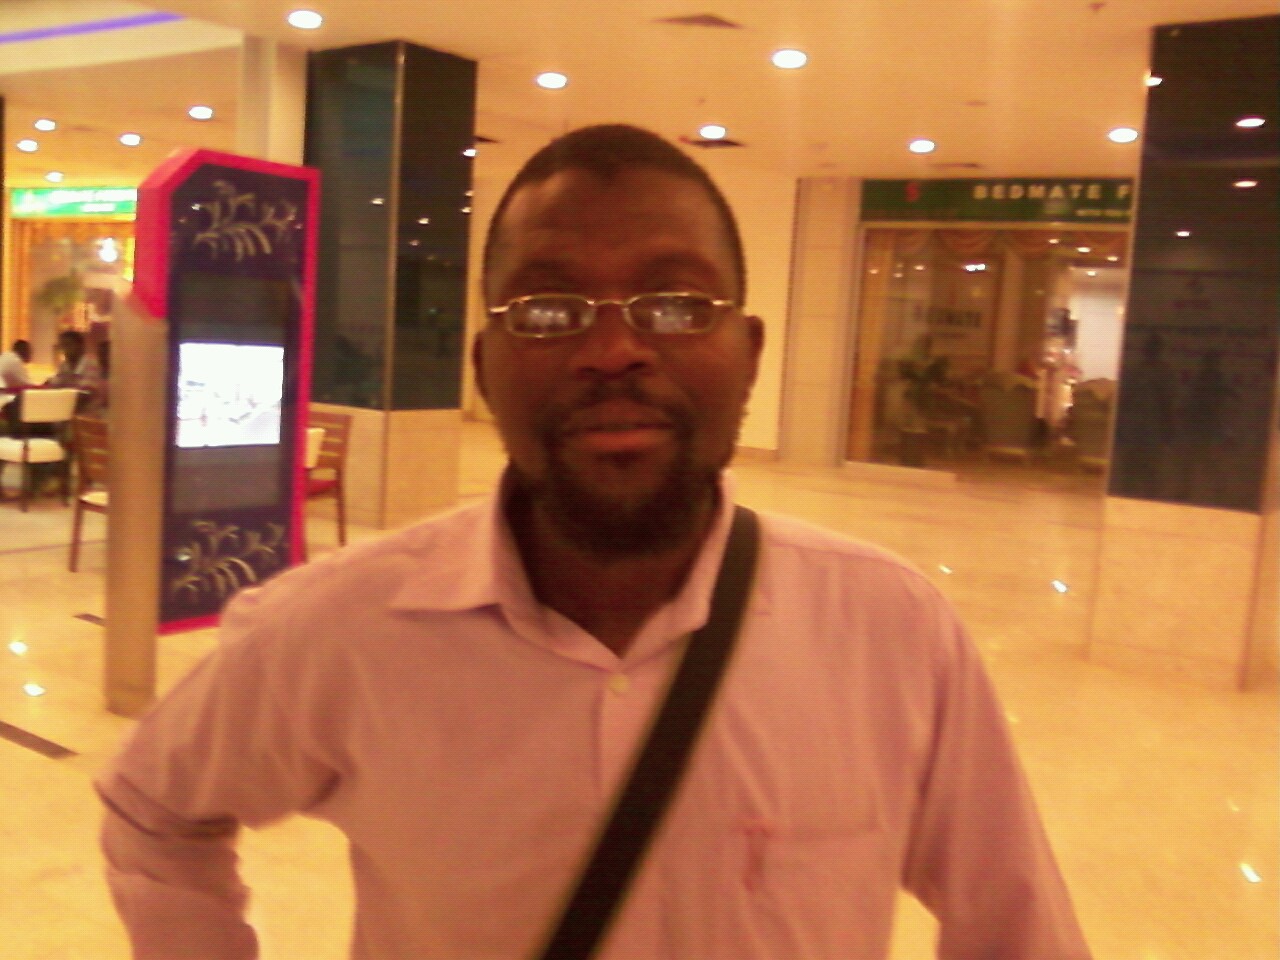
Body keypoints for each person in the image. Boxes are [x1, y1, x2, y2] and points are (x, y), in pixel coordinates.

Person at [97, 125, 1092, 960]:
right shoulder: (343, 629)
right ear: (484, 365)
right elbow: (154, 810)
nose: (614, 350)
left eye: (675, 305)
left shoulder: (889, 632)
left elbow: (1017, 925)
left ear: (748, 354)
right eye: (547, 309)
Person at [46, 328, 102, 393]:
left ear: (80, 346)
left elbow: (85, 392)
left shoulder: (91, 363)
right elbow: (55, 385)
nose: (65, 349)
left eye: (68, 345)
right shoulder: (65, 365)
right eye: (62, 346)